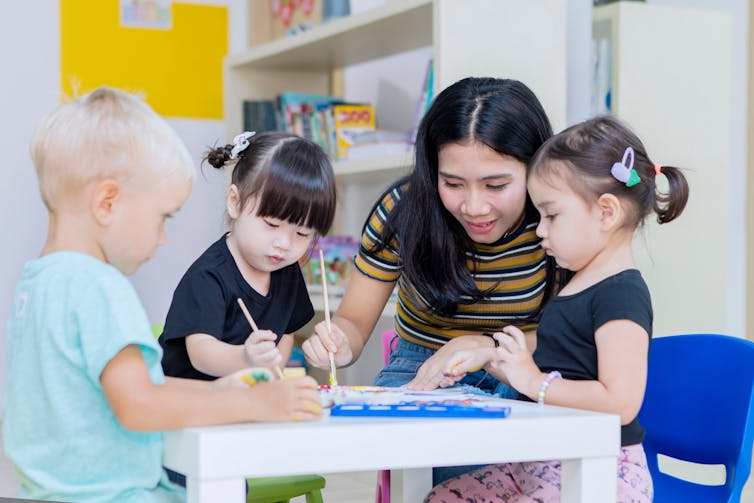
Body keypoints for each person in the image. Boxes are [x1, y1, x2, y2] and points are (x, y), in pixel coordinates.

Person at [2, 87, 322, 503]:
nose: (164, 236)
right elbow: (139, 404)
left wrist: (217, 392)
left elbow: (133, 388)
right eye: (162, 217)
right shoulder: (100, 287)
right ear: (107, 203)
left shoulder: (39, 281)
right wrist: (254, 406)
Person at [425, 115, 689, 502]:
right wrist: (506, 357)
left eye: (551, 215)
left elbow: (621, 401)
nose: (540, 230)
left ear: (606, 212)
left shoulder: (623, 294)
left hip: (600, 466)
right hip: (544, 457)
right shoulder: (577, 281)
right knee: (445, 496)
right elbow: (566, 350)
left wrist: (534, 382)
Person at [303, 77, 560, 396]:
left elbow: (576, 334)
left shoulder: (559, 216)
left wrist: (489, 346)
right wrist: (339, 340)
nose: (474, 208)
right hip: (422, 365)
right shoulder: (403, 211)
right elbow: (353, 321)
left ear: (536, 167)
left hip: (530, 364)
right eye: (452, 184)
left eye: (495, 186)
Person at [158, 131, 337, 382]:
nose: (284, 244)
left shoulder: (287, 272)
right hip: (189, 399)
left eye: (302, 232)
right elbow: (200, 352)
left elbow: (287, 332)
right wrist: (246, 359)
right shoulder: (208, 276)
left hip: (243, 400)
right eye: (272, 224)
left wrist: (272, 374)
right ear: (235, 202)